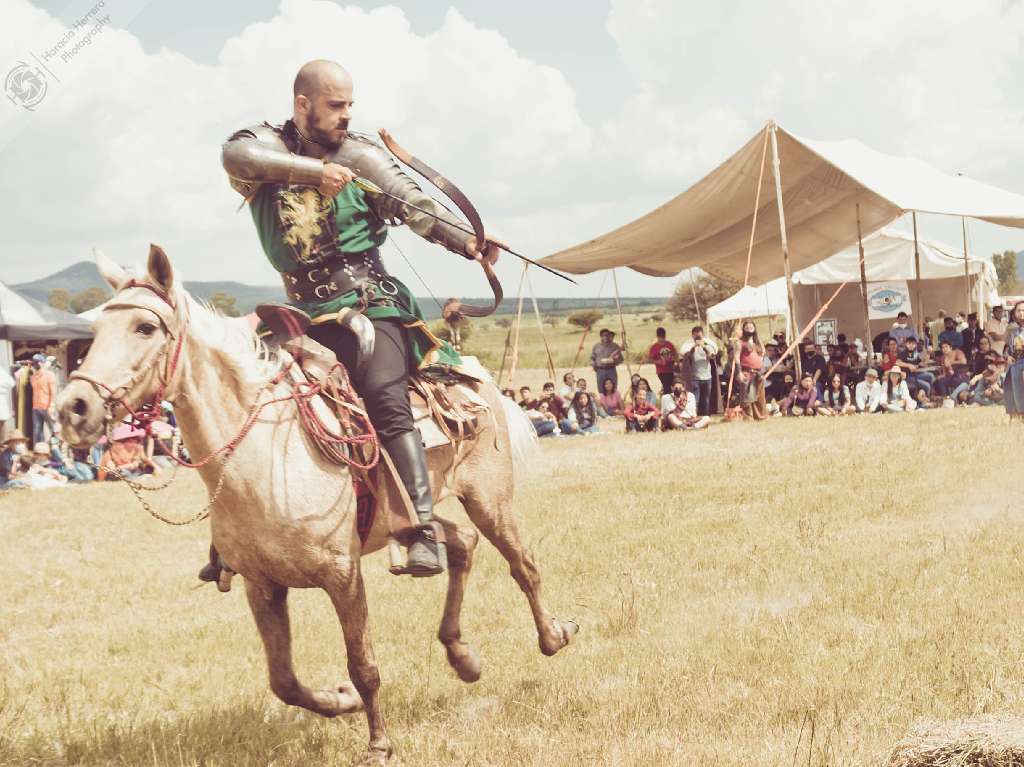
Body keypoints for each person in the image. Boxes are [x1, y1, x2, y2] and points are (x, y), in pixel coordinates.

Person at [221, 61, 504, 578]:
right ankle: (232, 537)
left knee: (384, 398)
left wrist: (468, 241)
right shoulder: (261, 151)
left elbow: (415, 204)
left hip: (368, 305)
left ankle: (418, 530)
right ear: (303, 105)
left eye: (350, 104)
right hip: (298, 314)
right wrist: (314, 174)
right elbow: (234, 155)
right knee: (243, 396)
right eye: (336, 105)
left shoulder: (359, 154)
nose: (347, 115)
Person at [679, 326, 720, 416]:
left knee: (706, 400)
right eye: (696, 337)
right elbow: (686, 355)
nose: (698, 339)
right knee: (695, 399)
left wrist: (703, 346)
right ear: (692, 335)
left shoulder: (708, 344)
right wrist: (694, 347)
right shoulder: (688, 345)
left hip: (707, 377)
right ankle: (694, 416)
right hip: (695, 378)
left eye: (699, 337)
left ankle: (705, 416)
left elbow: (712, 355)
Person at [732, 319, 767, 420]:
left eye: (751, 328)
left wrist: (760, 364)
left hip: (758, 373)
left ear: (754, 329)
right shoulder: (740, 343)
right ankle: (748, 417)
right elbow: (737, 358)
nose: (749, 330)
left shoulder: (757, 342)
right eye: (747, 328)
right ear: (743, 329)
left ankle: (760, 416)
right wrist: (739, 372)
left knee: (759, 396)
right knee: (747, 396)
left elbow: (762, 353)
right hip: (746, 372)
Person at [29, 354, 57, 446]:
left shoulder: (49, 375)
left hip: (47, 407)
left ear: (41, 363)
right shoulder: (33, 377)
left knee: (54, 430)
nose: (34, 365)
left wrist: (52, 406)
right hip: (36, 407)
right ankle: (40, 450)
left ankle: (57, 450)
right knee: (37, 431)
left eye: (36, 362)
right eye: (33, 363)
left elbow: (53, 392)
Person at [1003, 301, 1024, 419]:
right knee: (1014, 390)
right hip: (1016, 364)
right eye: (1019, 310)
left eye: (1023, 310)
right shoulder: (1013, 331)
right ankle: (1019, 415)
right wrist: (1008, 357)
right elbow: (1006, 349)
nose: (1021, 313)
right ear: (1014, 313)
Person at [590, 328, 624, 395]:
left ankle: (613, 402)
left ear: (609, 336)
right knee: (601, 388)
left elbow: (621, 359)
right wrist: (594, 365)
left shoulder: (615, 346)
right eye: (603, 335)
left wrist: (614, 361)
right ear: (601, 336)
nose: (605, 337)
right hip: (600, 371)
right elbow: (592, 358)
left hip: (611, 370)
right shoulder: (596, 346)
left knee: (613, 388)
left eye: (607, 335)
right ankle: (604, 403)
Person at [647, 327, 677, 394]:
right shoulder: (654, 347)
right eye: (660, 337)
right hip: (661, 371)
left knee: (670, 387)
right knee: (667, 388)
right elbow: (649, 359)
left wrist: (674, 360)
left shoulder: (669, 344)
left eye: (663, 337)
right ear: (657, 336)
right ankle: (666, 400)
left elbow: (675, 354)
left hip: (671, 369)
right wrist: (658, 362)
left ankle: (665, 396)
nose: (662, 339)